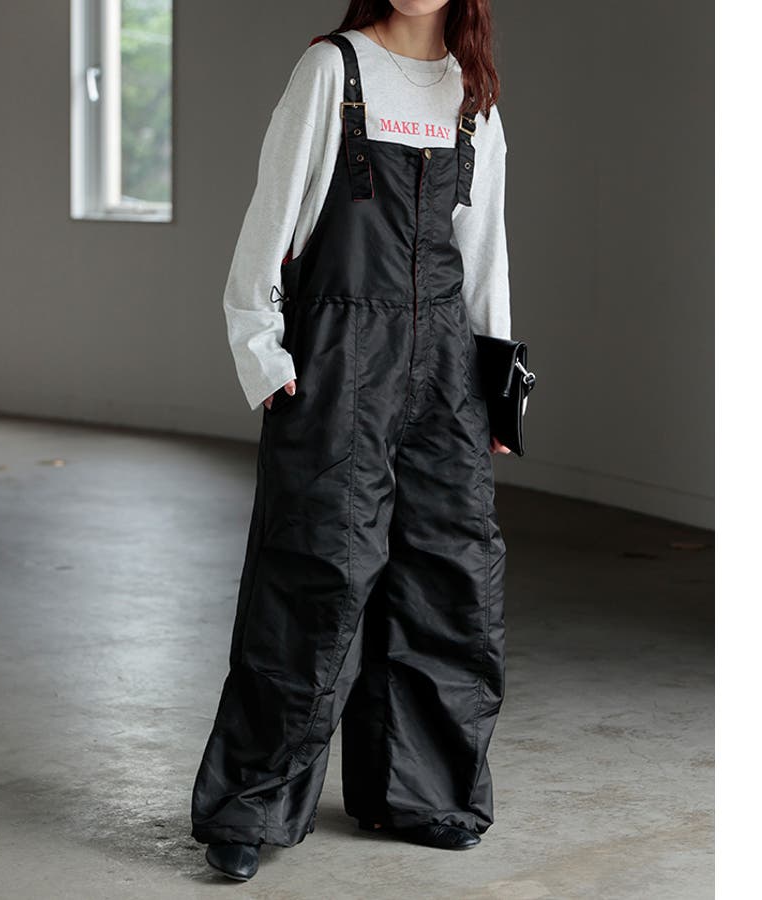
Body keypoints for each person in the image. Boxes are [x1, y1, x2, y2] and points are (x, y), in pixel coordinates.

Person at [192, 1, 511, 882]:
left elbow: (484, 248)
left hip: (446, 367)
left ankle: (422, 794)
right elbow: (270, 219)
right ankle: (251, 805)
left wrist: (496, 392)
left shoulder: (471, 93)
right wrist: (263, 352)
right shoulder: (332, 70)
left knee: (450, 575)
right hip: (339, 355)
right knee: (316, 573)